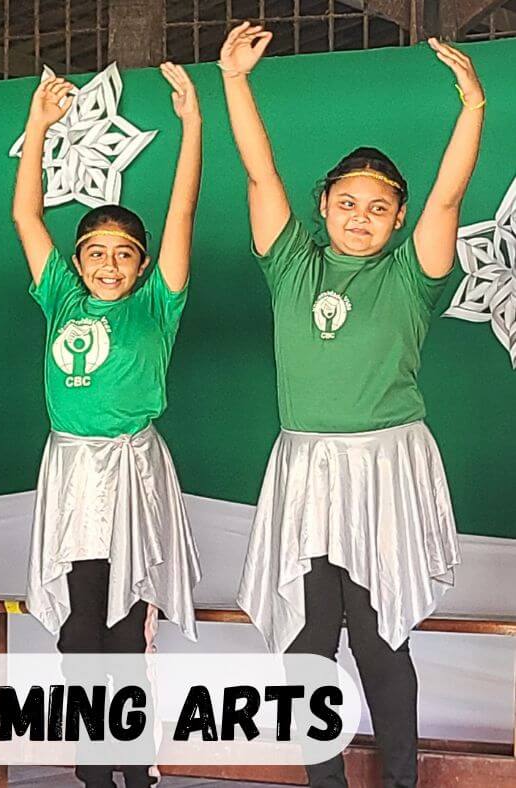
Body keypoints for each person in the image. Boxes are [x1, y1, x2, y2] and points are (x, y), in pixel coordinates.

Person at [220, 22, 485, 787]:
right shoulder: (292, 267)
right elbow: (260, 173)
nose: (361, 216)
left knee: (378, 642)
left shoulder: (410, 278)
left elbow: (449, 197)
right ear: (325, 206)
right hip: (307, 470)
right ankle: (324, 781)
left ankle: (400, 781)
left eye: (378, 208)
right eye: (347, 203)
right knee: (307, 646)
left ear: (396, 220)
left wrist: (471, 108)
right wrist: (236, 83)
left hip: (383, 470)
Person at [12, 63, 204, 788]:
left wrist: (192, 128)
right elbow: (28, 217)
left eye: (125, 253)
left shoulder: (157, 305)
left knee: (125, 630)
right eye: (96, 252)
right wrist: (39, 127)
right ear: (77, 261)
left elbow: (182, 214)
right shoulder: (60, 295)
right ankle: (98, 770)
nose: (110, 263)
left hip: (130, 472)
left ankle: (133, 767)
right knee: (79, 628)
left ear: (143, 263)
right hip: (70, 473)